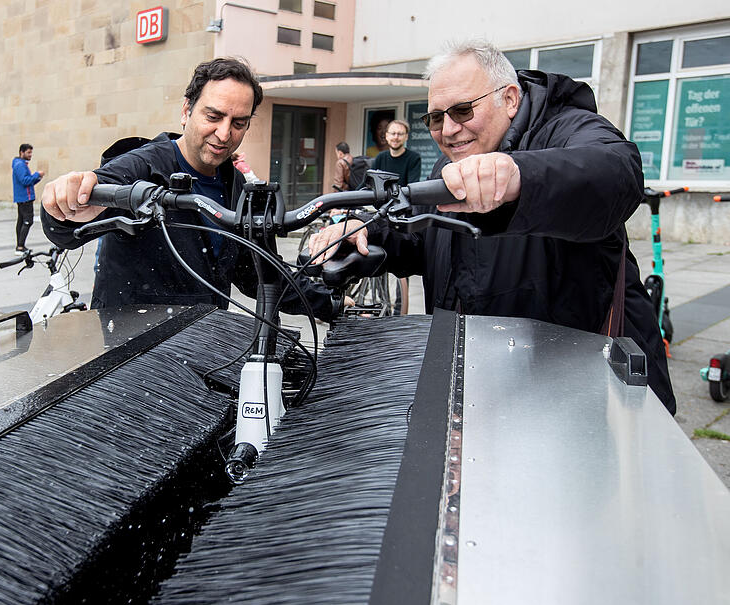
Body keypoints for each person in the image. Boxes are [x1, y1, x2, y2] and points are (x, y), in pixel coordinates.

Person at [309, 39, 676, 414]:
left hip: (584, 395)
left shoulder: (568, 128)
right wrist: (365, 232)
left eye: (463, 111)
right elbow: (424, 238)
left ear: (511, 99)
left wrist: (521, 177)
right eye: (436, 118)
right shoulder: (450, 164)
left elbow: (615, 172)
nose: (449, 130)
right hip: (489, 386)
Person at [41, 57, 344, 321]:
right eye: (213, 117)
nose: (224, 133)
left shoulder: (238, 187)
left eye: (238, 123)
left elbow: (261, 273)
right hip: (133, 356)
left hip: (203, 348)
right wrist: (63, 207)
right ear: (186, 110)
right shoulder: (140, 167)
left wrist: (329, 303)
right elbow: (67, 229)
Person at [12, 143, 44, 255]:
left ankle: (20, 246)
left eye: (31, 152)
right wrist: (36, 174)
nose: (30, 155)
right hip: (25, 198)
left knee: (21, 221)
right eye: (28, 152)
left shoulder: (20, 164)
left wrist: (38, 177)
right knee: (27, 221)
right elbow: (24, 181)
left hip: (23, 197)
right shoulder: (20, 165)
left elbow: (28, 182)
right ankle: (20, 247)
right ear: (22, 152)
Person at [372, 120, 421, 187]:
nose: (396, 137)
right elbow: (368, 183)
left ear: (406, 137)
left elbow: (412, 187)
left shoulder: (413, 158)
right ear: (387, 136)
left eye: (400, 134)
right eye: (393, 133)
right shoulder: (380, 157)